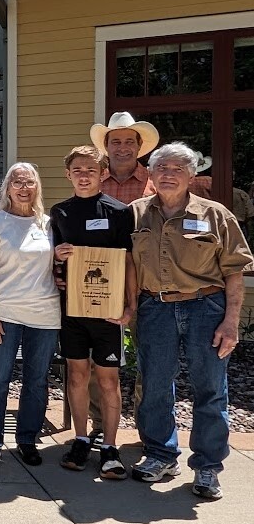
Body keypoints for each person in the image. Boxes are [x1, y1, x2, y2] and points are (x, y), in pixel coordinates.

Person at [129, 142, 253, 499]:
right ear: (151, 174)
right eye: (162, 168)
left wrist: (231, 321)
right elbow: (122, 264)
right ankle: (161, 455)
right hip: (155, 308)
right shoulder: (136, 214)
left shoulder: (217, 215)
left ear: (191, 175)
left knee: (210, 389)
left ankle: (208, 467)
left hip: (206, 309)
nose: (168, 174)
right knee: (153, 385)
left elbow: (234, 271)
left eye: (177, 169)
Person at [50, 146, 135, 480]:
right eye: (77, 170)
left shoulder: (120, 212)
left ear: (102, 173)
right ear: (68, 174)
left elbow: (128, 263)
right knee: (76, 376)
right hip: (73, 309)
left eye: (90, 170)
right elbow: (53, 263)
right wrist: (57, 255)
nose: (83, 175)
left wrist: (130, 306)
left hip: (109, 312)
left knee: (108, 379)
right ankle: (81, 439)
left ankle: (111, 448)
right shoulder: (59, 212)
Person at [0, 162, 61, 468]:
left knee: (36, 381)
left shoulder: (49, 224)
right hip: (5, 312)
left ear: (37, 187)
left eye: (29, 183)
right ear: (7, 188)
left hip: (45, 312)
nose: (24, 188)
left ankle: (27, 439)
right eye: (17, 183)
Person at [91, 112, 160, 446]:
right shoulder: (93, 182)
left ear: (139, 147)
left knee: (149, 358)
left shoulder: (155, 183)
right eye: (115, 141)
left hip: (147, 284)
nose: (122, 148)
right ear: (106, 147)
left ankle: (149, 430)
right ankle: (99, 425)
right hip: (100, 283)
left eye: (128, 141)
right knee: (96, 358)